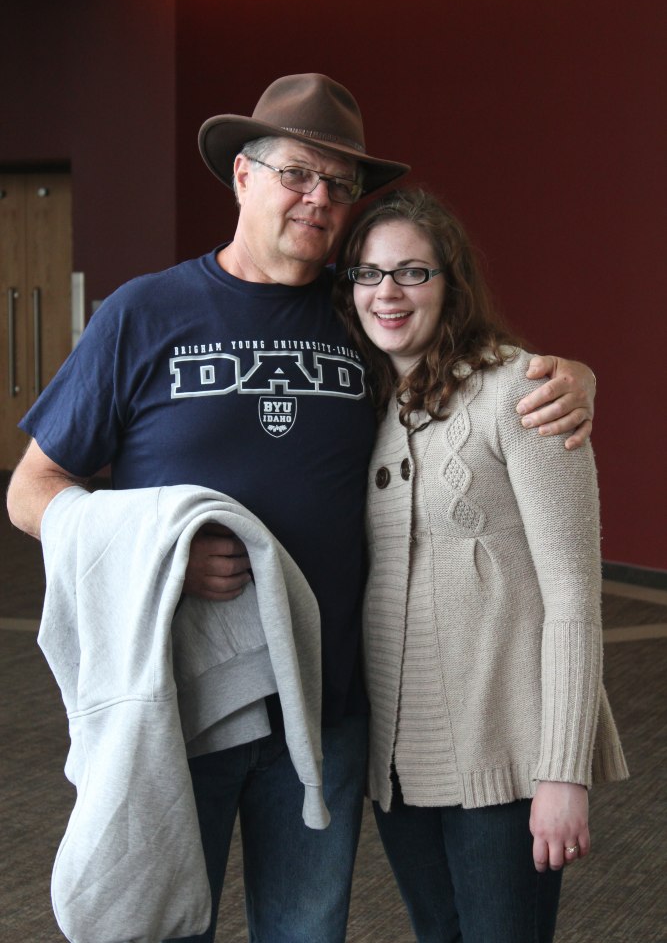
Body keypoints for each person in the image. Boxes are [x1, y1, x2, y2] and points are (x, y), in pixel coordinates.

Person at [7, 75, 597, 943]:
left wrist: (572, 377)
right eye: (296, 173)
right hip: (181, 704)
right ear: (242, 176)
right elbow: (31, 490)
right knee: (159, 927)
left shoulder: (359, 313)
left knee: (305, 931)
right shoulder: (144, 312)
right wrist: (156, 549)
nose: (319, 198)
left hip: (326, 708)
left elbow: (470, 367)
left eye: (339, 183)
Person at [334, 187, 629, 943]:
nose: (387, 293)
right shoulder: (365, 402)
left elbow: (573, 598)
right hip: (400, 764)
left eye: (412, 272)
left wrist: (561, 772)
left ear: (451, 283)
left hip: (508, 755)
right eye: (368, 273)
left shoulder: (523, 392)